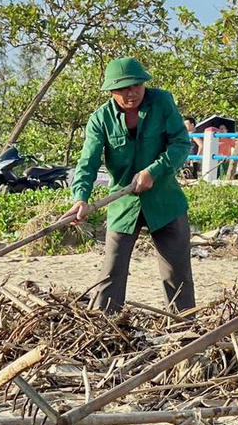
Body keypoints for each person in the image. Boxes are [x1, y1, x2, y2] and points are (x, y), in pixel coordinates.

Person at [65, 57, 195, 312]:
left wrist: (154, 171)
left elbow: (181, 144)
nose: (131, 93)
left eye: (136, 85)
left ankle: (185, 329)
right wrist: (80, 197)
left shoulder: (162, 102)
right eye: (123, 88)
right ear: (111, 91)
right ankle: (105, 327)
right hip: (123, 203)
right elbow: (88, 162)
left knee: (177, 274)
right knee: (111, 272)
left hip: (165, 202)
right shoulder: (100, 119)